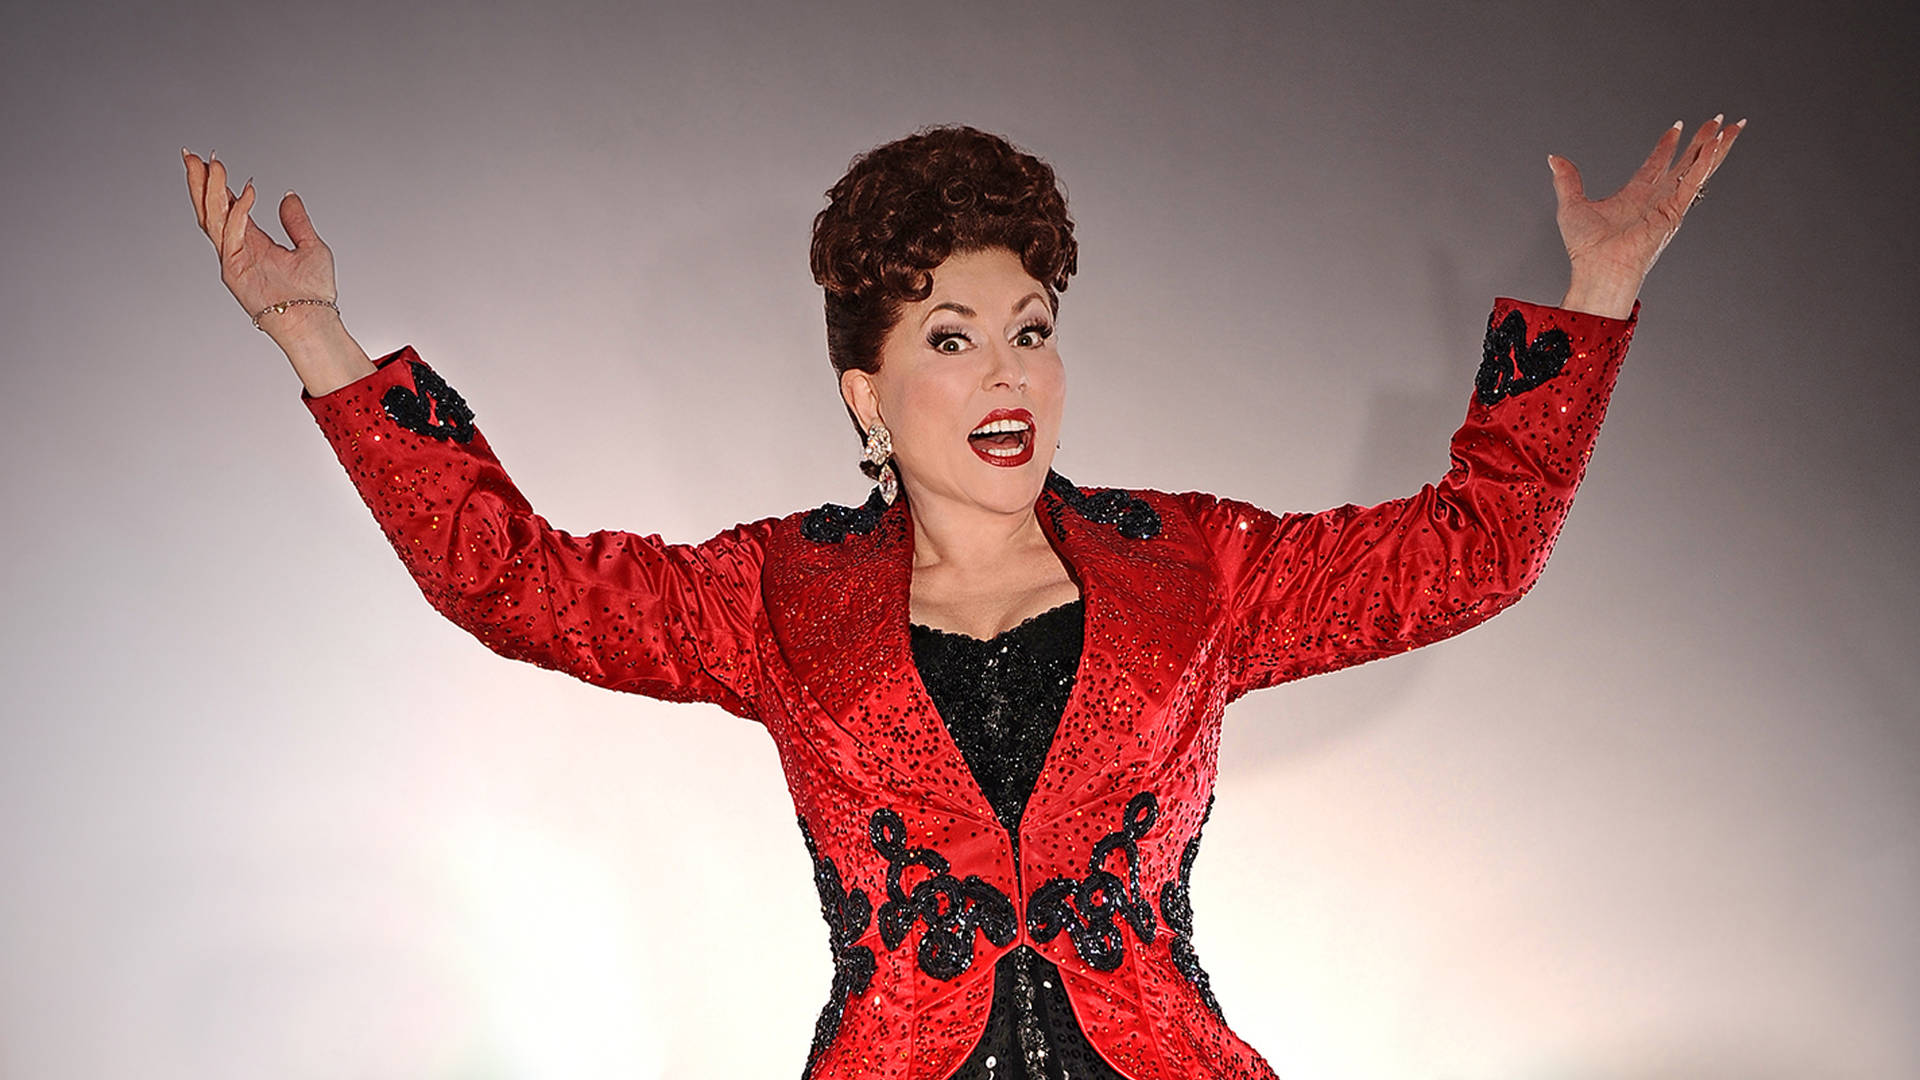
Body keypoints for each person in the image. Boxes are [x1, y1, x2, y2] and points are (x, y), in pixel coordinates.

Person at [182, 118, 1741, 1080]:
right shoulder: (777, 596)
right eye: (950, 337)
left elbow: (1472, 551)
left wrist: (1597, 289)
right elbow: (510, 581)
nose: (1006, 370)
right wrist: (322, 340)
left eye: (1032, 326)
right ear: (867, 390)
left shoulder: (1195, 569)